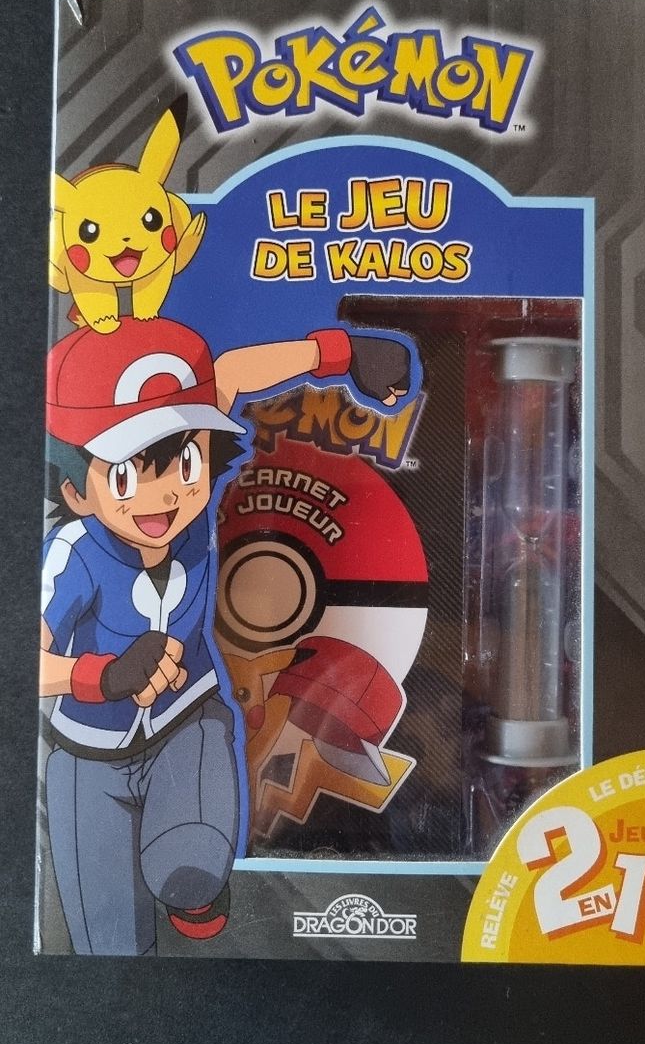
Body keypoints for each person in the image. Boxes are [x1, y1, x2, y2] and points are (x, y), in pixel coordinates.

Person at [40, 316, 411, 954]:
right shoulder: (73, 554)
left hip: (188, 722)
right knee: (107, 945)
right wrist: (102, 675)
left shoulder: (193, 508)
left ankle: (197, 891)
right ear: (76, 489)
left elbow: (232, 372)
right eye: (127, 476)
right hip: (87, 757)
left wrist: (344, 352)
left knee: (189, 864)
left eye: (184, 463)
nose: (163, 494)